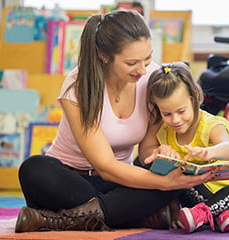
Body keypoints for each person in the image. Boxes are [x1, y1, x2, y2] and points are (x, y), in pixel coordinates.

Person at [15, 10, 216, 233]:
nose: (143, 69)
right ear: (104, 56)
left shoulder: (153, 78)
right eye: (132, 63)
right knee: (33, 169)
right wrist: (164, 183)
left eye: (147, 58)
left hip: (121, 180)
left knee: (170, 179)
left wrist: (164, 153)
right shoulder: (78, 84)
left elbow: (147, 148)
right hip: (72, 180)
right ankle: (131, 215)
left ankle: (57, 219)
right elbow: (106, 166)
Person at [142, 62, 229, 233]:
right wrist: (158, 152)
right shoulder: (165, 131)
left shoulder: (211, 125)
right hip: (201, 198)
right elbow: (147, 158)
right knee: (175, 174)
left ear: (195, 96)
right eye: (167, 114)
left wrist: (208, 152)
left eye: (181, 111)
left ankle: (206, 213)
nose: (176, 120)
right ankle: (218, 214)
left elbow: (227, 148)